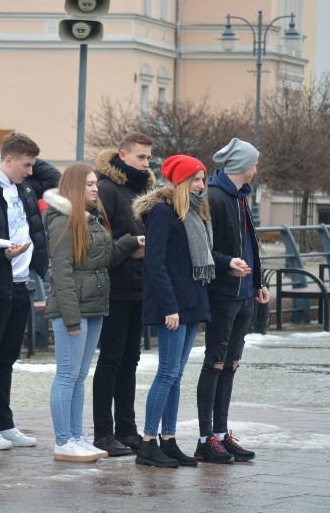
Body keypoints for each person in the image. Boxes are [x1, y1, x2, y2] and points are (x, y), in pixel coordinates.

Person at [133, 155, 236, 468]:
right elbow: (156, 264)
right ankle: (148, 443)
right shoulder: (163, 213)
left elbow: (199, 259)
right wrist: (169, 307)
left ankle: (169, 439)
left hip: (193, 302)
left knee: (176, 376)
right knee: (166, 373)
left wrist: (226, 264)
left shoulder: (194, 213)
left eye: (203, 179)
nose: (201, 186)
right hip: (174, 306)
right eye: (195, 179)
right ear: (179, 182)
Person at [0, 132, 60, 450]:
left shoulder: (23, 186)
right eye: (25, 164)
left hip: (21, 283)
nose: (31, 170)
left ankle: (3, 423)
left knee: (7, 358)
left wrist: (27, 153)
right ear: (6, 161)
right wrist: (1, 253)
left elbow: (53, 177)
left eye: (33, 164)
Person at [43, 164, 136, 462]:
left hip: (94, 306)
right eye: (90, 184)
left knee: (80, 376)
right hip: (74, 309)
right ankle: (63, 441)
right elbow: (62, 272)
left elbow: (100, 259)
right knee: (67, 375)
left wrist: (129, 243)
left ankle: (76, 436)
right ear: (74, 187)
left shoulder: (90, 218)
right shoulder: (63, 221)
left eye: (96, 184)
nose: (96, 189)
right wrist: (70, 318)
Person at [195, 138, 269, 464]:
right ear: (242, 165)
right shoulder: (215, 197)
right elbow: (203, 249)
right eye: (254, 162)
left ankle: (222, 434)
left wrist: (258, 282)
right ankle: (205, 438)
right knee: (214, 363)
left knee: (231, 364)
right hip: (223, 294)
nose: (257, 167)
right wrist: (227, 264)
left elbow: (250, 245)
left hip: (244, 295)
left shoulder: (241, 197)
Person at [91, 133, 153, 457]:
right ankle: (103, 433)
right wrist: (130, 248)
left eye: (148, 158)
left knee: (131, 360)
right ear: (123, 155)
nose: (146, 164)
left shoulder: (144, 190)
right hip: (115, 288)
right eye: (140, 157)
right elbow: (100, 245)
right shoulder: (107, 189)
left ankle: (127, 430)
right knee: (111, 360)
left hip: (140, 288)